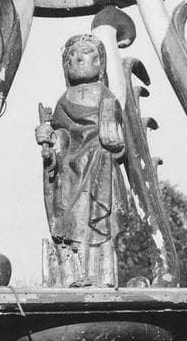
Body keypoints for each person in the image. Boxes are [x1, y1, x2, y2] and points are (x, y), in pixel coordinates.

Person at [35, 34, 128, 287]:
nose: (77, 59)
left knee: (96, 221)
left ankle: (101, 275)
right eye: (70, 56)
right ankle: (73, 273)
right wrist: (49, 137)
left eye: (85, 53)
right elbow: (62, 136)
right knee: (70, 220)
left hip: (99, 168)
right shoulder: (63, 101)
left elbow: (119, 144)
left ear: (100, 63)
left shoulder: (107, 98)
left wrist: (111, 140)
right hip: (70, 171)